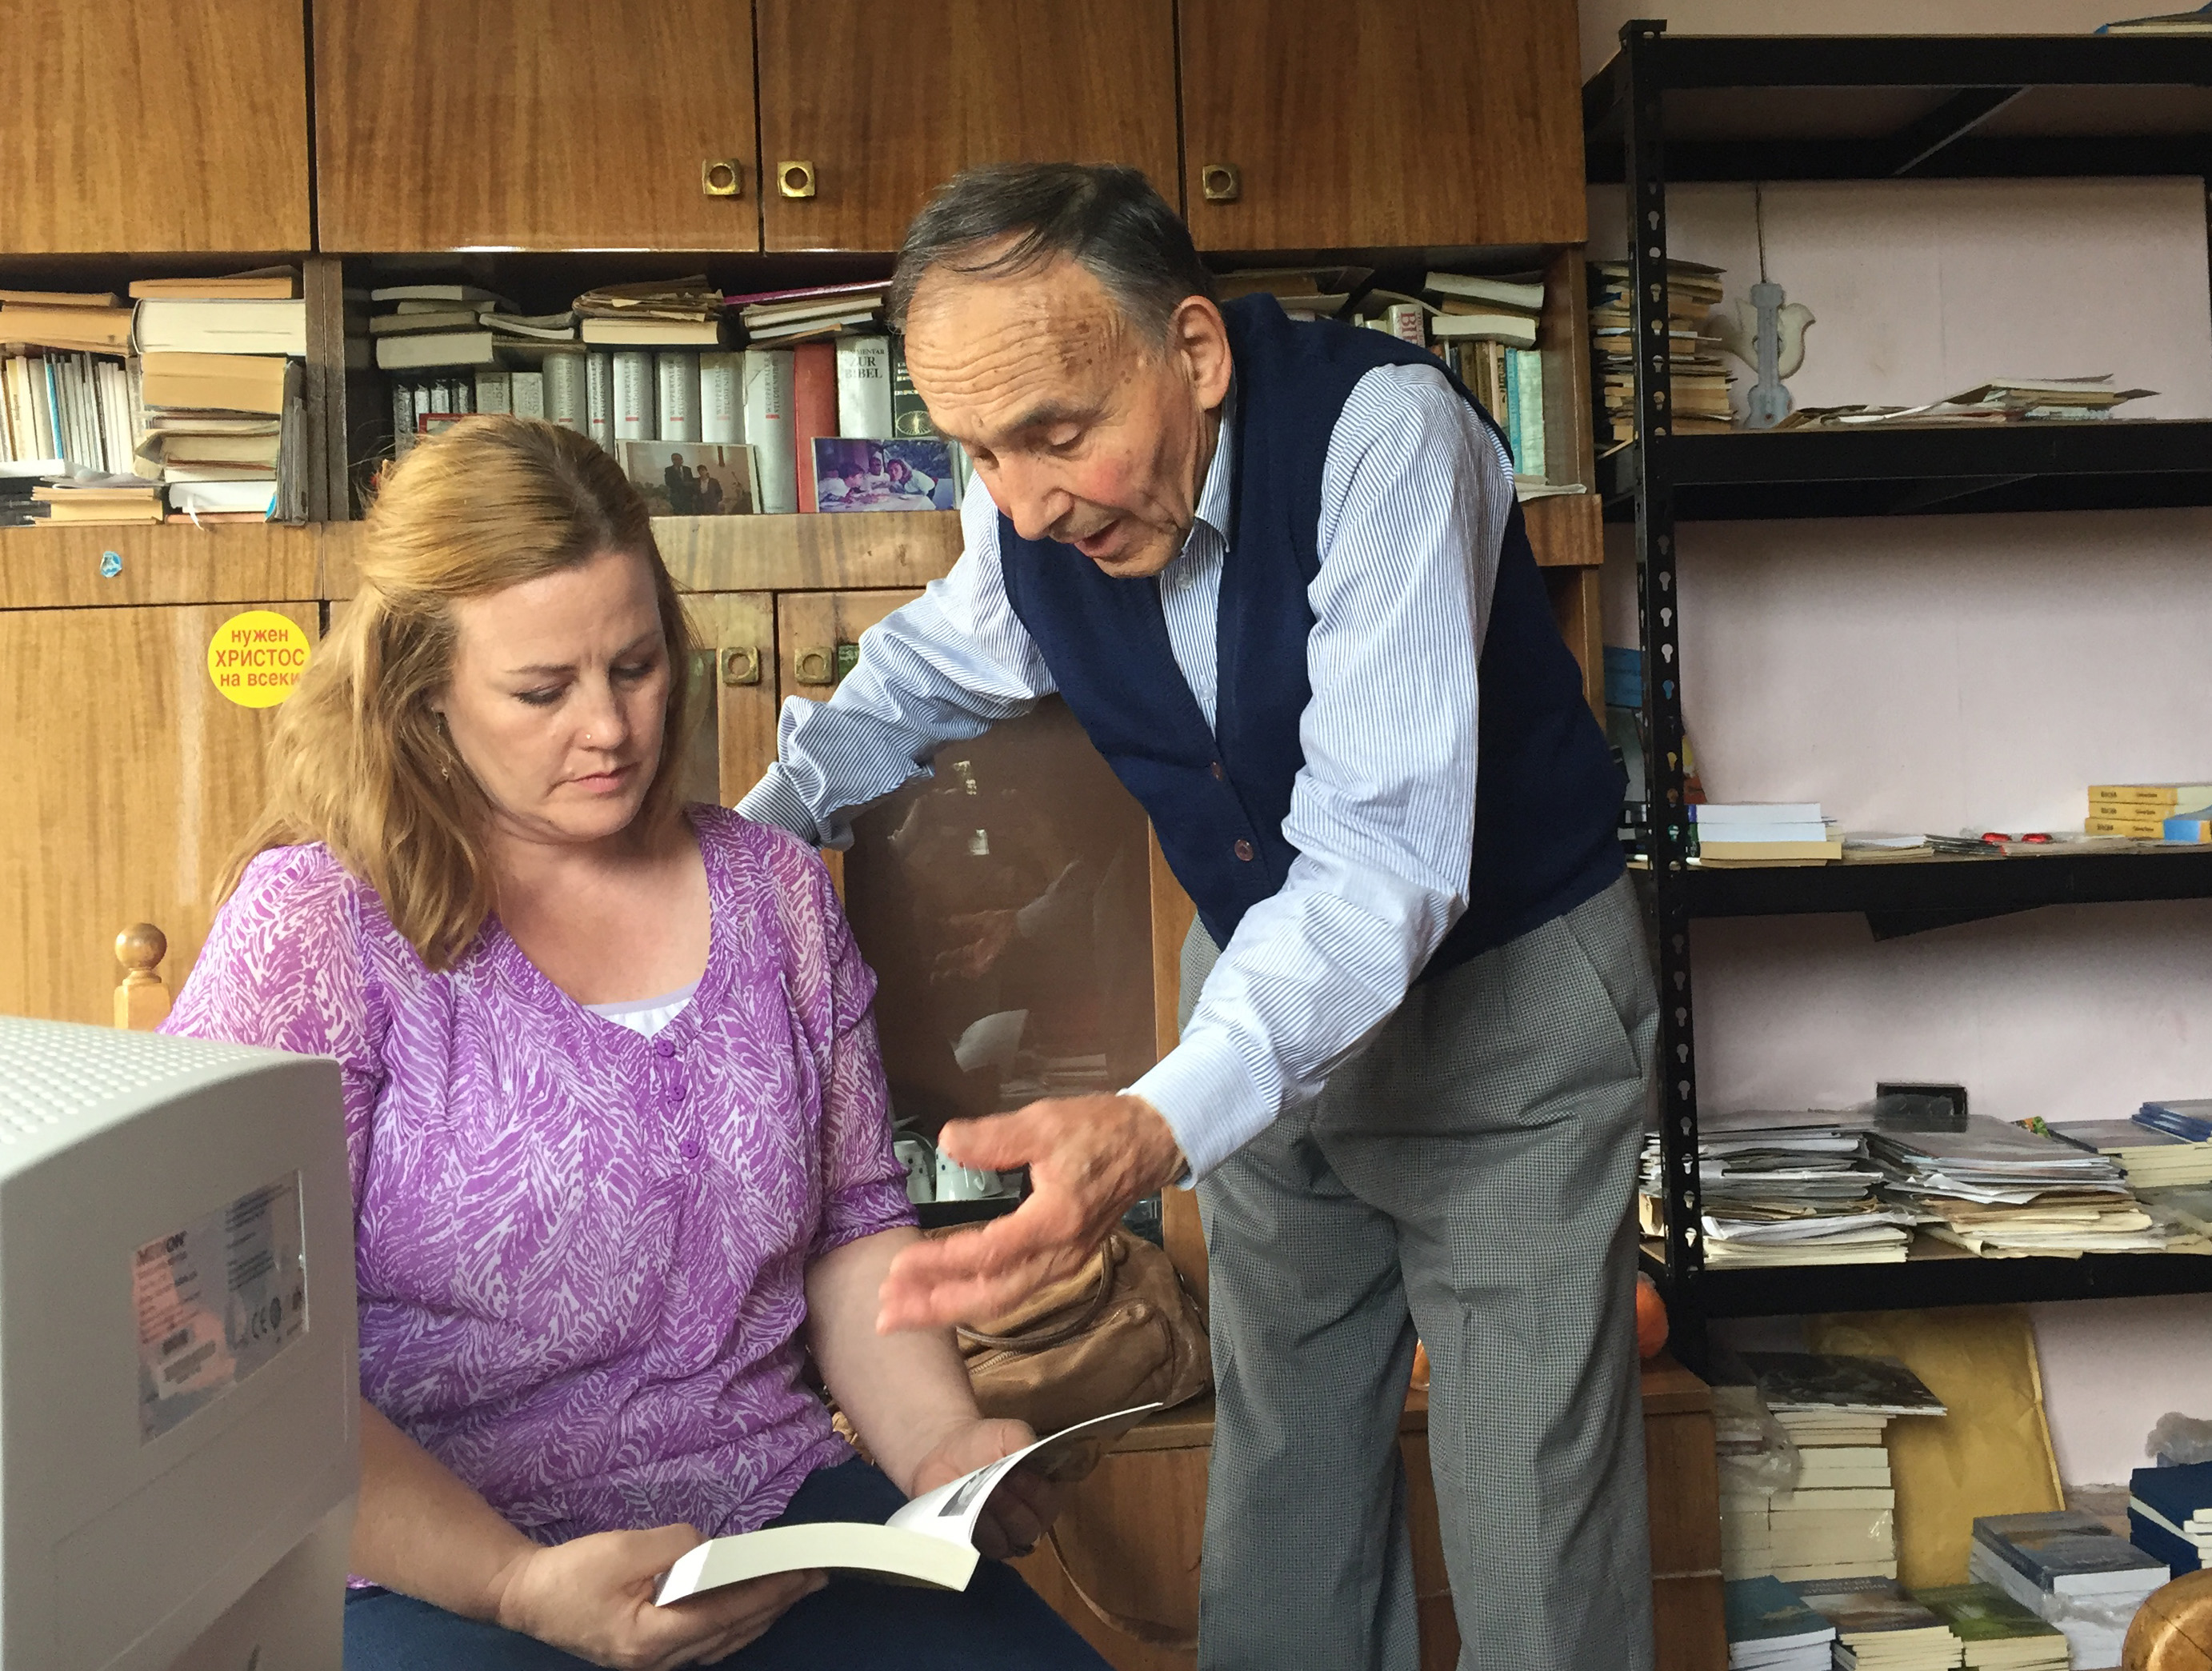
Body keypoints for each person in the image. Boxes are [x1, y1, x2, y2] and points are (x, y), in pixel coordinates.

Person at [738, 164, 1658, 1671]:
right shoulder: (1030, 505)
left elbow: (1376, 863)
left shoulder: (1387, 438)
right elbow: (925, 676)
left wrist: (1159, 1120)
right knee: (1284, 1483)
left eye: (1055, 432)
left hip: (1502, 1012)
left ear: (1195, 351)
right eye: (980, 448)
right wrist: (731, 851)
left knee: (1532, 1536)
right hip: (1256, 993)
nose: (1024, 498)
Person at [161, 415, 1110, 1671]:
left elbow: (851, 1231)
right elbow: (217, 1337)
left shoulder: (773, 890)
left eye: (637, 664)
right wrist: (513, 1582)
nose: (608, 728)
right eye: (542, 691)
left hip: (771, 1518)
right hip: (424, 1556)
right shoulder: (321, 925)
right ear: (419, 689)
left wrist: (938, 1448)